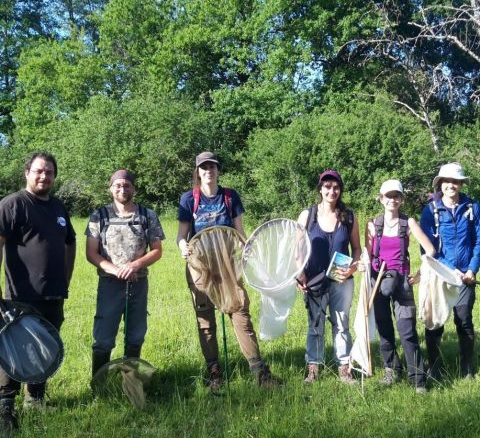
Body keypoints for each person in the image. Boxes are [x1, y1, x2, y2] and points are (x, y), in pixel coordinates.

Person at [177, 151, 279, 391]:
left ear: (218, 170)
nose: (208, 171)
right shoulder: (188, 199)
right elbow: (182, 236)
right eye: (204, 168)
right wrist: (183, 248)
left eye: (212, 167)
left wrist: (248, 252)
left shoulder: (230, 196)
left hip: (229, 267)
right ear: (198, 172)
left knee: (241, 314)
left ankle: (259, 372)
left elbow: (240, 232)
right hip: (199, 267)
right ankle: (214, 372)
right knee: (206, 323)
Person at [0, 152, 76, 433]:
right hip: (20, 295)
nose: (44, 176)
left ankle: (35, 398)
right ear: (27, 173)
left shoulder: (57, 207)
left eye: (49, 172)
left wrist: (65, 280)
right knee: (13, 349)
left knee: (45, 346)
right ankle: (5, 406)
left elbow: (70, 242)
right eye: (39, 171)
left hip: (53, 294)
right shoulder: (12, 204)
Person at [86, 170, 164, 380]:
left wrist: (135, 265)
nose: (122, 189)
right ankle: (99, 383)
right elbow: (91, 253)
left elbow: (157, 250)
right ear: (111, 188)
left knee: (136, 335)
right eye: (118, 185)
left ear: (134, 188)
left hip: (138, 284)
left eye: (127, 185)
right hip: (109, 284)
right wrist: (118, 271)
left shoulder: (147, 215)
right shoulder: (99, 216)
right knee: (103, 337)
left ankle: (131, 382)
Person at [366, 179, 435, 392]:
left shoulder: (409, 223)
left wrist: (420, 274)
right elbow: (368, 257)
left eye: (396, 196)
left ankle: (417, 379)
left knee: (407, 331)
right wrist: (363, 267)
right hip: (378, 282)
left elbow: (430, 251)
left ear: (401, 199)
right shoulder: (373, 225)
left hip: (403, 283)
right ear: (381, 199)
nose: (392, 199)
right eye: (388, 196)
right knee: (384, 329)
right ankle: (391, 369)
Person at [297, 170, 361, 384]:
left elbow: (358, 249)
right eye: (327, 186)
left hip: (341, 278)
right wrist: (300, 274)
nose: (331, 191)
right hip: (314, 278)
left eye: (335, 187)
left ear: (340, 190)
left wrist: (351, 269)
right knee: (315, 324)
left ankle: (344, 367)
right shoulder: (308, 215)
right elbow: (296, 249)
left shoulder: (349, 216)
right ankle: (314, 367)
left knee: (341, 323)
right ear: (320, 189)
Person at [420, 163, 480, 379]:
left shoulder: (473, 208)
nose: (451, 185)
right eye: (447, 181)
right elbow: (426, 247)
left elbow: (478, 242)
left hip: (466, 277)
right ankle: (434, 367)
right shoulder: (430, 211)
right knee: (435, 321)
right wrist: (451, 270)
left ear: (461, 184)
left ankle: (467, 368)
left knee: (463, 320)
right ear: (440, 184)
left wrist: (472, 269)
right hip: (440, 275)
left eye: (455, 181)